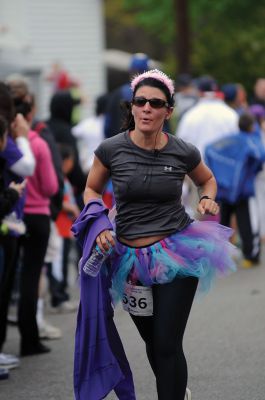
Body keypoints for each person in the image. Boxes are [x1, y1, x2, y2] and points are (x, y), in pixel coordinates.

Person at [73, 69, 236, 400]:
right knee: (153, 342)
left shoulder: (182, 151)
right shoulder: (110, 150)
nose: (147, 108)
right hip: (129, 261)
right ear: (132, 107)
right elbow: (91, 189)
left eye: (156, 103)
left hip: (177, 252)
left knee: (166, 343)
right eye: (140, 101)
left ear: (168, 111)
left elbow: (207, 179)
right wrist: (101, 221)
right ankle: (176, 387)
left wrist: (207, 197)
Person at [205, 112, 265, 268]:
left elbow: (209, 149)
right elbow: (259, 155)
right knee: (246, 222)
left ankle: (219, 257)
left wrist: (220, 173)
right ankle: (250, 256)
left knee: (224, 222)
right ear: (252, 126)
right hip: (242, 191)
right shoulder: (250, 141)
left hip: (225, 189)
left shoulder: (228, 140)